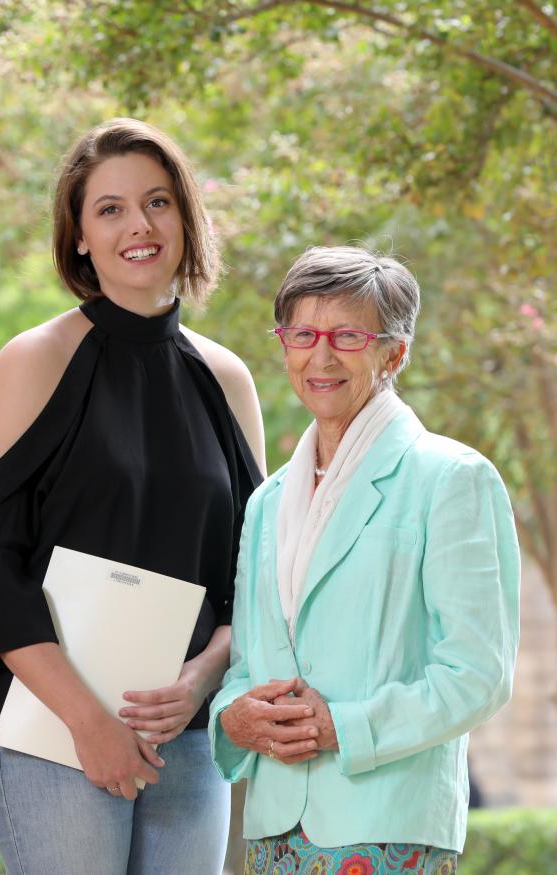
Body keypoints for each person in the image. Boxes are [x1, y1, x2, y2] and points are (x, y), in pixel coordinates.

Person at [0, 117, 266, 874]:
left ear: (186, 217)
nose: (139, 226)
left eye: (158, 202)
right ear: (80, 236)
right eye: (110, 208)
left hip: (187, 738)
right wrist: (89, 720)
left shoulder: (228, 379)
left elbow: (255, 580)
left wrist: (199, 681)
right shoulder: (35, 361)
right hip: (58, 734)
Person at [211, 245, 520, 874]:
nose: (321, 355)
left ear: (394, 352)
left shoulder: (452, 478)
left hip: (388, 825)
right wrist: (232, 715)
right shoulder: (268, 501)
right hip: (273, 827)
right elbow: (246, 662)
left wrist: (344, 727)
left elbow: (478, 674)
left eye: (348, 335)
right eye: (303, 333)